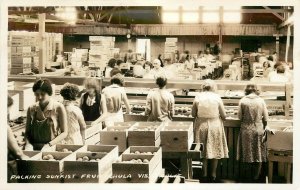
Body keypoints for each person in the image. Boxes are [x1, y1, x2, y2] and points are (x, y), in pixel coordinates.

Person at [191, 79, 228, 183]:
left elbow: (193, 114)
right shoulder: (217, 97)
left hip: (201, 126)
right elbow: (224, 116)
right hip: (215, 125)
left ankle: (204, 174)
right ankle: (213, 174)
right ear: (213, 87)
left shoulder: (198, 97)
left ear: (203, 87)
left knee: (203, 151)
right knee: (215, 149)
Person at [237, 83, 269, 182]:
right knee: (258, 153)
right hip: (258, 129)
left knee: (246, 153)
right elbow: (266, 117)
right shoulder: (261, 101)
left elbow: (239, 117)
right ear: (256, 90)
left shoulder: (242, 100)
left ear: (246, 90)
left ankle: (247, 177)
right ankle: (256, 177)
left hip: (246, 129)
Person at [24, 79, 68, 151]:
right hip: (35, 148)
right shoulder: (31, 108)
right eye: (37, 94)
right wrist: (28, 145)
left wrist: (49, 145)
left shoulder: (58, 107)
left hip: (53, 147)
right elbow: (27, 132)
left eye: (43, 94)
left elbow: (64, 132)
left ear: (49, 93)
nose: (39, 97)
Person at [7, 95, 29, 182]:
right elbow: (18, 152)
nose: (8, 112)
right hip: (7, 168)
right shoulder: (5, 127)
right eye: (8, 109)